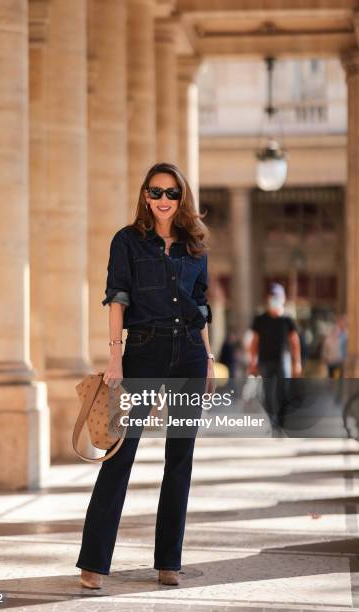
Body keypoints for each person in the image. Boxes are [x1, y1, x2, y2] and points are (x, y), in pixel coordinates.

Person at [76, 162, 214, 589]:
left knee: (180, 460)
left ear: (182, 197)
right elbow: (117, 299)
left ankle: (168, 561)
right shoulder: (128, 241)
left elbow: (202, 306)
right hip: (142, 352)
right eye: (156, 192)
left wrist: (208, 359)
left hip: (189, 354)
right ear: (145, 195)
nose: (164, 201)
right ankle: (94, 563)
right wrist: (114, 357)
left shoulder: (195, 247)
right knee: (120, 455)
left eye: (172, 193)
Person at [248, 283, 302, 434]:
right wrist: (252, 362)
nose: (274, 299)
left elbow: (294, 342)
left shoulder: (287, 320)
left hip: (283, 360)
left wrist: (296, 362)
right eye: (272, 296)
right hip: (265, 361)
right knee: (267, 393)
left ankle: (282, 423)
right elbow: (254, 342)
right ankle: (273, 424)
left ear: (283, 298)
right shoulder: (260, 319)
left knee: (283, 392)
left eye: (277, 296)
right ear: (267, 299)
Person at [322, 314, 348, 379]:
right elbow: (325, 350)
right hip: (331, 361)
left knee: (339, 376)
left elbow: (344, 349)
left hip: (339, 360)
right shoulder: (328, 340)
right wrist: (325, 357)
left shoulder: (344, 336)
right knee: (331, 376)